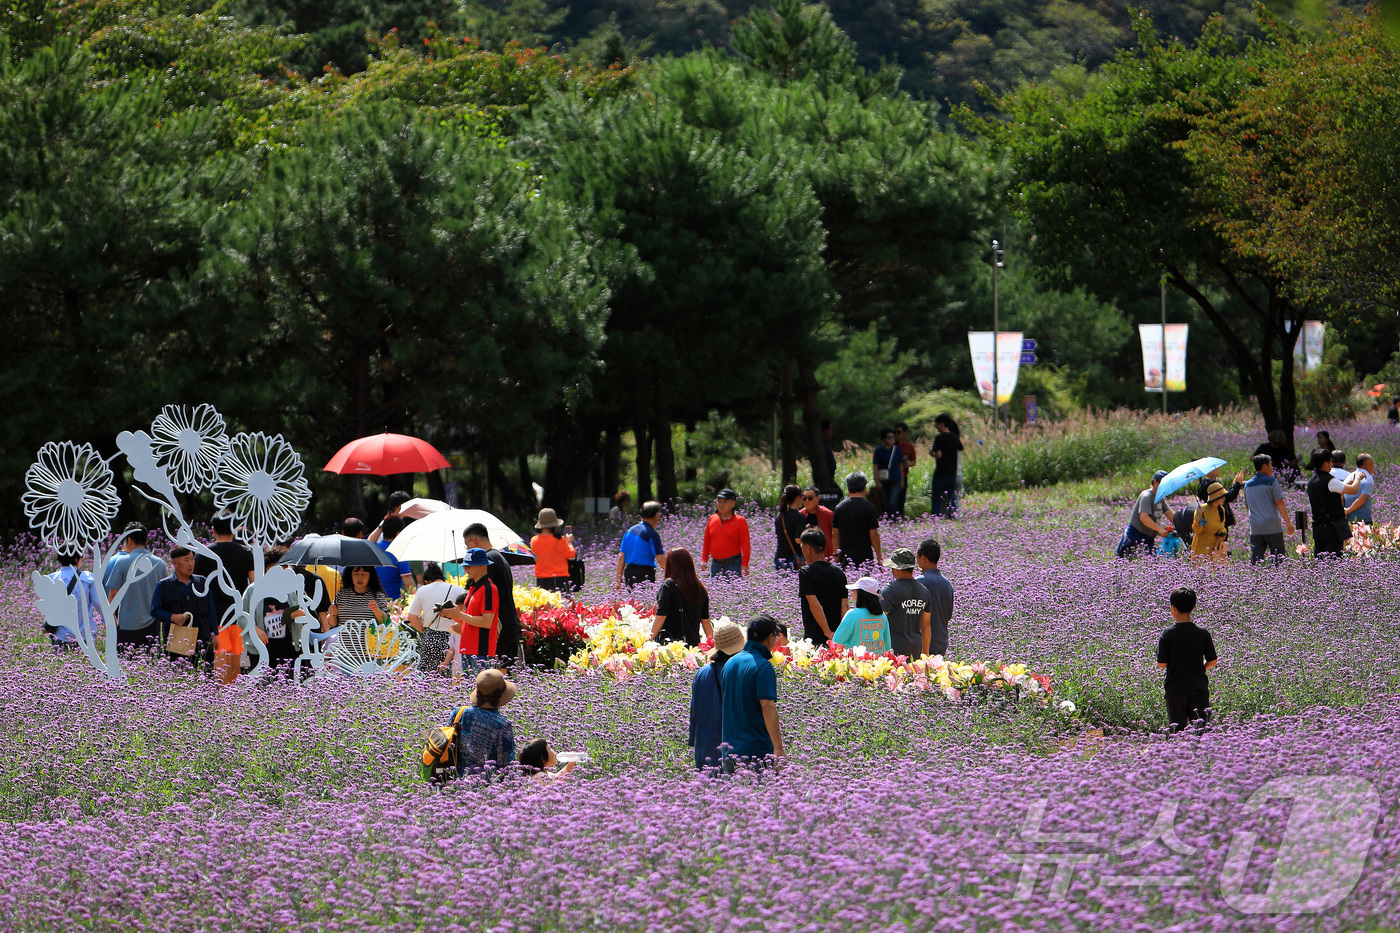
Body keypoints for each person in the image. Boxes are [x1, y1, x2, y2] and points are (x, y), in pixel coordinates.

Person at [720, 614, 785, 772]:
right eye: (776, 636)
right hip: (756, 751)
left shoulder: (730, 663)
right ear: (770, 637)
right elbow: (768, 707)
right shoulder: (763, 666)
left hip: (729, 750)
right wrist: (778, 748)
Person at [1156, 587, 1218, 733]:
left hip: (1176, 687)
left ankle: (1178, 755)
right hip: (1198, 686)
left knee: (1177, 730)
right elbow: (1213, 661)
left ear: (1173, 608)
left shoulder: (1167, 634)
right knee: (1202, 728)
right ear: (1193, 606)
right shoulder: (1202, 633)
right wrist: (1199, 668)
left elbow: (1162, 664)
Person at [688, 620, 745, 771]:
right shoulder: (738, 672)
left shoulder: (701, 673)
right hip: (733, 753)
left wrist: (693, 739)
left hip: (705, 751)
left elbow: (694, 713)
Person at [462, 524, 522, 666]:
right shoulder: (500, 557)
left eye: (467, 545)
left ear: (474, 541)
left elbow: (477, 589)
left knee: (490, 679)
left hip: (497, 627)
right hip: (509, 622)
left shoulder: (487, 561)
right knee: (503, 675)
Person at [150, 545, 216, 669]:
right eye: (186, 560)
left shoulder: (202, 582)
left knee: (206, 675)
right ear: (174, 562)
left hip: (203, 639)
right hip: (177, 642)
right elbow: (155, 610)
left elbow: (211, 610)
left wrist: (215, 635)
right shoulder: (163, 585)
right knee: (179, 676)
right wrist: (172, 617)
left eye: (192, 559)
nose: (191, 564)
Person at [103, 522, 166, 650]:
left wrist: (111, 616)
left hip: (127, 624)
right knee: (151, 663)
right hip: (152, 623)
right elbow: (165, 592)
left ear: (128, 540)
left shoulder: (122, 562)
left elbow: (113, 592)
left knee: (126, 663)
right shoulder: (159, 563)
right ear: (147, 540)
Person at [193, 512, 255, 628]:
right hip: (240, 617)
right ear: (234, 530)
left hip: (213, 619)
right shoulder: (247, 553)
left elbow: (195, 585)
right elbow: (254, 583)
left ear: (213, 530)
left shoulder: (203, 554)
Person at [455, 668, 518, 781]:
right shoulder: (502, 725)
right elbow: (507, 764)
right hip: (488, 786)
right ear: (501, 695)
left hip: (456, 780)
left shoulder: (458, 713)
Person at [405, 562, 464, 674]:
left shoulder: (422, 590)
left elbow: (412, 617)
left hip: (430, 637)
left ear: (426, 581)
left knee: (428, 677)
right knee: (451, 676)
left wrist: (424, 630)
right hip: (452, 638)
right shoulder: (458, 590)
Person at [448, 548, 501, 669]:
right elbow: (469, 620)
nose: (465, 569)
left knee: (480, 688)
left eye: (469, 566)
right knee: (470, 688)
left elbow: (487, 622)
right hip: (468, 650)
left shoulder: (489, 589)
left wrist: (460, 615)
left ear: (482, 565)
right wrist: (450, 614)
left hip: (481, 652)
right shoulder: (473, 588)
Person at [650, 548, 712, 646]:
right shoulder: (700, 588)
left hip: (672, 645)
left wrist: (649, 639)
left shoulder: (669, 585)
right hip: (693, 644)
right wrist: (711, 644)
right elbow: (705, 621)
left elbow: (661, 615)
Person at [1242, 455, 1295, 565]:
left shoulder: (1247, 485)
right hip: (1272, 525)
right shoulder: (1272, 481)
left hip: (1255, 526)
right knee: (1278, 557)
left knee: (1256, 558)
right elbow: (1279, 502)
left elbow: (1248, 506)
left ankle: (1255, 579)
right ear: (1264, 466)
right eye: (1270, 465)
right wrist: (1288, 522)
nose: (1272, 468)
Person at [1307, 448, 1361, 557]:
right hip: (1331, 528)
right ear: (1325, 463)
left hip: (1318, 526)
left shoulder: (1311, 481)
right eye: (1330, 461)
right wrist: (1358, 478)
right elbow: (1354, 489)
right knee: (1333, 558)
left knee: (1320, 559)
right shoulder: (1330, 480)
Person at [797, 528, 846, 646]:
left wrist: (827, 632)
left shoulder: (806, 573)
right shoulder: (839, 572)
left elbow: (815, 605)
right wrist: (841, 633)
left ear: (808, 548)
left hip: (815, 637)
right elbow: (844, 607)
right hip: (837, 636)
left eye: (802, 547)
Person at [881, 548, 932, 659]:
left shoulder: (890, 590)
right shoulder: (924, 591)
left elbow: (880, 620)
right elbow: (926, 624)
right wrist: (926, 652)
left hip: (893, 652)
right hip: (915, 650)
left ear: (897, 568)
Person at [47, 550, 104, 650]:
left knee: (60, 664)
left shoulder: (51, 579)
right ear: (76, 559)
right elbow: (98, 603)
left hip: (60, 634)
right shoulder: (87, 578)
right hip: (84, 633)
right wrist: (107, 620)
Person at [1116, 470, 1175, 558]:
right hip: (1134, 537)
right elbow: (1144, 518)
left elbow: (1170, 514)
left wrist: (1181, 524)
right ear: (1155, 482)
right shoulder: (1147, 496)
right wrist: (1160, 529)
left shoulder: (1160, 498)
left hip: (1148, 538)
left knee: (1151, 565)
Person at [832, 473, 881, 571]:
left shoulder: (839, 508)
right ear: (864, 488)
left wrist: (836, 554)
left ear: (848, 489)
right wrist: (879, 557)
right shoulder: (869, 508)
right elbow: (874, 535)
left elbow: (835, 534)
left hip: (845, 554)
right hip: (865, 555)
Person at [915, 538, 954, 658]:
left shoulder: (918, 583)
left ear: (923, 558)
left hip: (923, 643)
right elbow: (948, 615)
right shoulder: (947, 583)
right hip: (941, 641)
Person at [832, 577, 892, 653]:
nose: (852, 592)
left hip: (856, 663)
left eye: (854, 590)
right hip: (878, 663)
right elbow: (887, 646)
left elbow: (836, 642)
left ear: (861, 594)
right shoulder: (882, 616)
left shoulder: (852, 615)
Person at [700, 489, 750, 578]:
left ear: (732, 503)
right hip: (716, 564)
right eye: (719, 502)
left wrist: (745, 564)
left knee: (735, 590)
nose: (721, 504)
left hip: (734, 564)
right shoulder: (712, 518)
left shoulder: (740, 521)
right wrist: (704, 559)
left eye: (725, 502)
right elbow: (707, 541)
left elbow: (745, 544)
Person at [615, 501, 666, 587]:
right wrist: (672, 575)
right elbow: (660, 558)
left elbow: (621, 557)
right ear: (656, 515)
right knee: (644, 599)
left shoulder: (629, 532)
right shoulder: (651, 533)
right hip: (644, 573)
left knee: (633, 599)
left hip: (629, 573)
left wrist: (618, 580)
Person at [530, 508, 576, 592]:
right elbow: (571, 554)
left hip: (541, 579)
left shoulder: (533, 540)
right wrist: (569, 542)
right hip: (559, 579)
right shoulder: (560, 540)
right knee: (562, 604)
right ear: (554, 525)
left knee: (543, 604)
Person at [930, 413, 963, 518]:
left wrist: (932, 453)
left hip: (941, 472)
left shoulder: (939, 438)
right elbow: (961, 448)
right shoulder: (954, 437)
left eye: (937, 425)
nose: (936, 427)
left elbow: (939, 455)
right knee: (951, 497)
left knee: (937, 497)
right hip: (952, 472)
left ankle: (935, 517)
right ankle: (952, 516)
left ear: (942, 424)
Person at [374, 515, 415, 600]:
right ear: (398, 534)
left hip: (373, 602)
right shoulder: (399, 553)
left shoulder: (373, 548)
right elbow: (409, 584)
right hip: (392, 605)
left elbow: (370, 539)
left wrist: (383, 524)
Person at [1190, 482, 1230, 565]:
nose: (1224, 498)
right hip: (1202, 546)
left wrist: (1222, 532)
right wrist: (1199, 518)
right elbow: (1197, 530)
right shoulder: (1202, 509)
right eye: (1222, 496)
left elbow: (1222, 527)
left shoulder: (1221, 510)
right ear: (1216, 497)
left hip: (1216, 545)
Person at [872, 429, 905, 519]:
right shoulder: (879, 450)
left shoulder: (897, 450)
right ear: (884, 439)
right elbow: (875, 466)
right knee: (885, 504)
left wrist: (902, 480)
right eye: (889, 437)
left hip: (895, 480)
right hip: (883, 480)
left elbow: (901, 465)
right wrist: (877, 481)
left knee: (892, 502)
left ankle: (895, 521)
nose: (892, 439)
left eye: (893, 437)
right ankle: (887, 522)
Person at [773, 484, 806, 572]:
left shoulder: (780, 516)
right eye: (802, 495)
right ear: (797, 497)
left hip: (779, 557)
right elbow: (798, 539)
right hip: (793, 559)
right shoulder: (799, 517)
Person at [798, 486, 834, 559]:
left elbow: (834, 534)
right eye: (804, 498)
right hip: (805, 555)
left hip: (825, 554)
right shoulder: (800, 515)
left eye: (810, 498)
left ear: (817, 499)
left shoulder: (828, 514)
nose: (807, 501)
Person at [1346, 454, 1376, 525]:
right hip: (1363, 520)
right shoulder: (1368, 478)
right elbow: (1362, 500)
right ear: (1367, 464)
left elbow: (1342, 496)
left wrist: (1344, 512)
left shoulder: (1348, 476)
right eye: (1372, 463)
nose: (1374, 466)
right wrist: (1348, 510)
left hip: (1349, 520)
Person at [894, 423, 916, 516]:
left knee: (901, 501)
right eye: (895, 432)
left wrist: (909, 463)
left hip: (903, 476)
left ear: (905, 433)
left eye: (899, 432)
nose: (896, 434)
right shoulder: (890, 445)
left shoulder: (909, 446)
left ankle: (899, 520)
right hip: (891, 477)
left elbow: (913, 460)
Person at [820, 419, 837, 485]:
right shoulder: (821, 446)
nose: (831, 432)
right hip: (825, 480)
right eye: (830, 429)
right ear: (825, 431)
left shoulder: (826, 444)